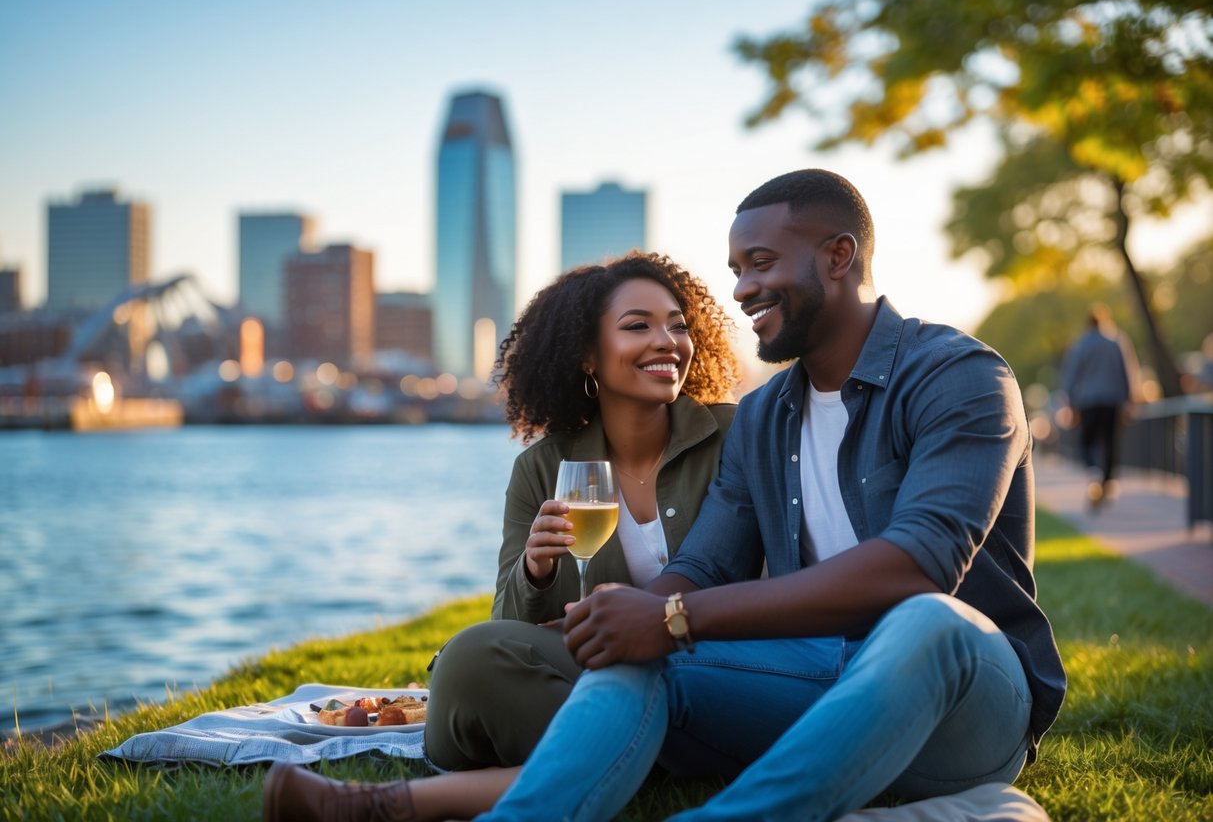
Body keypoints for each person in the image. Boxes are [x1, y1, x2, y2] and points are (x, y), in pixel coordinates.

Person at [468, 168, 1067, 821]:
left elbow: (917, 568)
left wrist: (674, 620)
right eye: (735, 269)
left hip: (963, 709)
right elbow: (704, 568)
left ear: (838, 256)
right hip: (810, 685)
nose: (740, 289)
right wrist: (623, 616)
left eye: (759, 263)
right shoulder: (761, 417)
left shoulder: (958, 377)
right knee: (634, 656)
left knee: (926, 618)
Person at [262, 251, 740, 821]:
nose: (667, 341)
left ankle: (603, 762)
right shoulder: (544, 468)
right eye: (638, 325)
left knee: (529, 689)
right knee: (470, 659)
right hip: (596, 667)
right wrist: (535, 572)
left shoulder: (733, 434)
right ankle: (638, 756)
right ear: (587, 354)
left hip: (712, 665)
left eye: (678, 325)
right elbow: (508, 624)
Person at [1059, 304, 1139, 507]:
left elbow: (1071, 375)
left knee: (1086, 441)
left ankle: (1094, 472)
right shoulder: (1117, 341)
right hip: (1112, 401)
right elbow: (1128, 372)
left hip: (1088, 401)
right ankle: (1108, 483)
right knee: (1110, 442)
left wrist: (1069, 402)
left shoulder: (1081, 344)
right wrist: (1130, 399)